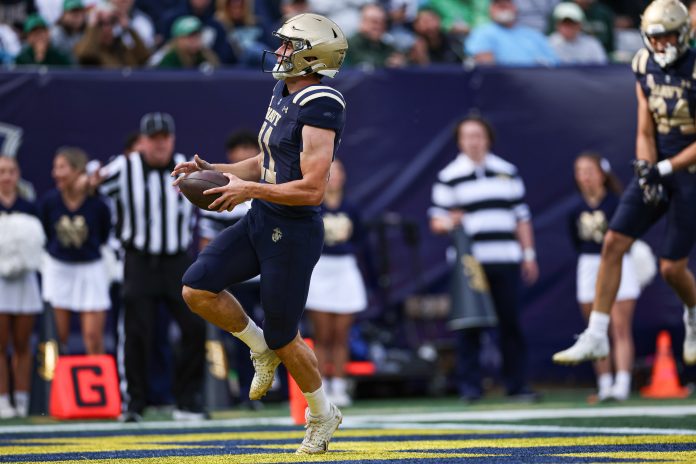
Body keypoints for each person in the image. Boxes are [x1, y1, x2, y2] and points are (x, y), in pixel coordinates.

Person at [172, 13, 348, 454]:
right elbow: (264, 159)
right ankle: (258, 347)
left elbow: (311, 190)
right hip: (262, 218)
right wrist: (215, 170)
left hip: (293, 232)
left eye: (290, 46)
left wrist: (246, 190)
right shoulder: (283, 90)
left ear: (312, 56)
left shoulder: (322, 104)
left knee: (284, 335)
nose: (282, 52)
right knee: (196, 288)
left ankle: (323, 415)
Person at [553, 0, 696, 367]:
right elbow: (645, 125)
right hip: (659, 167)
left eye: (667, 37)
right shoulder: (643, 64)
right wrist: (646, 166)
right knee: (613, 241)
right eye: (655, 37)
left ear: (683, 34)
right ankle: (597, 334)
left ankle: (693, 316)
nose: (661, 45)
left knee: (671, 268)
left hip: (689, 173)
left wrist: (663, 169)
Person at [95, 112, 207, 423]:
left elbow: (214, 198)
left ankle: (187, 400)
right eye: (153, 138)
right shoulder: (124, 167)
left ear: (172, 139)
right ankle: (135, 403)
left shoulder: (186, 167)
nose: (159, 144)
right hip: (139, 260)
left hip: (177, 260)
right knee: (136, 332)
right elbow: (93, 187)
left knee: (195, 326)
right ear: (143, 142)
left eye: (164, 138)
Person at [430, 115, 539, 401]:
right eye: (468, 136)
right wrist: (450, 221)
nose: (474, 142)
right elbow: (436, 221)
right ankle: (470, 388)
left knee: (510, 323)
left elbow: (522, 218)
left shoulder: (507, 171)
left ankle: (516, 386)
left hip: (505, 257)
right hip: (470, 264)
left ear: (487, 138)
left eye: (478, 136)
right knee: (470, 325)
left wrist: (528, 254)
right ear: (459, 141)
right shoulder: (449, 175)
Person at [569, 153, 640, 401]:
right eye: (580, 171)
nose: (585, 176)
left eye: (590, 170)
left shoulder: (618, 203)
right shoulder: (575, 209)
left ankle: (622, 383)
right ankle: (604, 383)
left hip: (620, 263)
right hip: (588, 266)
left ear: (602, 174)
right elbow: (576, 241)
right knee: (594, 329)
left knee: (620, 327)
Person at [305, 159, 367, 408]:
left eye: (339, 171)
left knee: (342, 335)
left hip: (345, 270)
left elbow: (362, 239)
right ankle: (322, 389)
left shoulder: (351, 208)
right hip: (320, 269)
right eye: (330, 172)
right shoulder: (313, 206)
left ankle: (340, 386)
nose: (335, 176)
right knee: (322, 335)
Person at [40, 147, 112, 355]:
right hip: (58, 269)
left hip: (91, 269)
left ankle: (95, 386)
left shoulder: (98, 204)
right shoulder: (50, 202)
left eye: (62, 167)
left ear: (78, 170)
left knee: (93, 338)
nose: (56, 173)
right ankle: (54, 387)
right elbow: (46, 232)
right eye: (55, 168)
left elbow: (104, 234)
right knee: (56, 338)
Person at [0, 155, 44, 419]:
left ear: (18, 176)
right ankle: (3, 400)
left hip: (25, 283)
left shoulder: (30, 207)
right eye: (2, 171)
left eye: (11, 171)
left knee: (22, 343)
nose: (6, 176)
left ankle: (23, 399)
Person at [466, 0, 558, 66]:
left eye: (506, 4)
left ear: (515, 7)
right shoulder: (482, 33)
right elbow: (487, 67)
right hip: (502, 87)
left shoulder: (533, 35)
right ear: (490, 9)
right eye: (499, 6)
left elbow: (553, 63)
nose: (503, 9)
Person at [74, 3, 150, 68]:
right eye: (101, 24)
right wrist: (93, 23)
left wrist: (128, 28)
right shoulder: (85, 48)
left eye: (111, 22)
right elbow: (86, 56)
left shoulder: (122, 48)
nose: (107, 29)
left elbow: (144, 58)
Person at [344, 3, 405, 70]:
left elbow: (401, 61)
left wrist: (401, 63)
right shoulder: (348, 46)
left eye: (383, 22)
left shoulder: (387, 47)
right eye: (374, 22)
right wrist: (385, 64)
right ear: (362, 22)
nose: (379, 26)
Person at [154, 15, 219, 69]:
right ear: (178, 39)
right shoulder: (168, 58)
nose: (194, 41)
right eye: (190, 37)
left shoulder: (205, 56)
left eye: (197, 36)